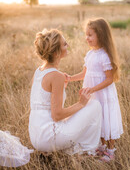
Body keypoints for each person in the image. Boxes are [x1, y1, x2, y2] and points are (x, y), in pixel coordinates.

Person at [28, 28, 102, 155]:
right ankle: (85, 149)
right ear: (56, 52)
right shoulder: (56, 76)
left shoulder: (39, 71)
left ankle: (72, 147)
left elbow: (43, 101)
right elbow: (57, 115)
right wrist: (81, 103)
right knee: (94, 105)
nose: (68, 45)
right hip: (49, 138)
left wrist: (62, 86)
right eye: (64, 44)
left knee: (77, 113)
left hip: (36, 137)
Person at [65, 18, 123, 162]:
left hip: (103, 94)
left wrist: (92, 89)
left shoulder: (104, 56)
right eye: (86, 34)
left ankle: (110, 150)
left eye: (90, 35)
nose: (87, 38)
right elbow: (84, 73)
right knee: (98, 119)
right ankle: (101, 146)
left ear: (101, 35)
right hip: (93, 95)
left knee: (106, 118)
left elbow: (110, 79)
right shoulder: (90, 54)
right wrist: (70, 78)